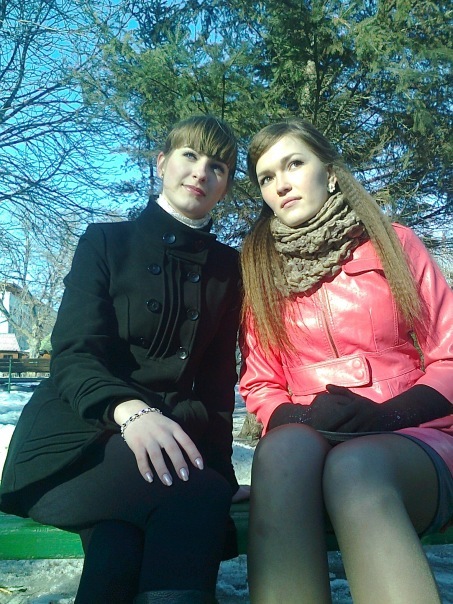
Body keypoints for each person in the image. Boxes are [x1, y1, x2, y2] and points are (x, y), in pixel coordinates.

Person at [0, 115, 249, 604]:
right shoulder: (106, 242)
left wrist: (222, 470)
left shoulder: (228, 268)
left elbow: (217, 382)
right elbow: (74, 354)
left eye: (217, 166)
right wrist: (130, 411)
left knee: (119, 547)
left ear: (225, 186)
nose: (201, 172)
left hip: (158, 453)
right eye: (189, 155)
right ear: (162, 163)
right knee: (194, 495)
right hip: (74, 442)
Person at [239, 118, 453, 603]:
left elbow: (450, 354)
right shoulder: (261, 273)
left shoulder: (393, 243)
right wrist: (302, 419)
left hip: (413, 437)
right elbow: (261, 383)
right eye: (267, 177)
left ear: (331, 174)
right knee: (280, 452)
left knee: (355, 467)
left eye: (294, 164)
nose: (281, 184)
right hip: (307, 447)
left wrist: (388, 416)